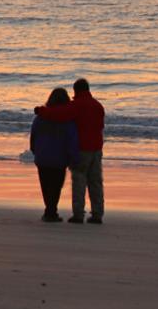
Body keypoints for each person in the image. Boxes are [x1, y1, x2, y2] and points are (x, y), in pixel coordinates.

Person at [34, 78, 105, 224]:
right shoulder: (98, 106)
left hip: (82, 149)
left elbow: (57, 114)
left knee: (79, 180)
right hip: (97, 149)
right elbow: (101, 126)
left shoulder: (76, 105)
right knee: (95, 182)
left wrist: (40, 110)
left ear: (76, 90)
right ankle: (97, 214)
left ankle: (78, 214)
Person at [30, 88, 79, 222]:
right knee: (56, 186)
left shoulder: (40, 117)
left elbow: (33, 136)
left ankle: (49, 210)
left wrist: (34, 150)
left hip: (43, 157)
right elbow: (72, 139)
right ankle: (51, 211)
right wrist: (73, 157)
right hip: (59, 159)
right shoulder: (67, 120)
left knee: (45, 185)